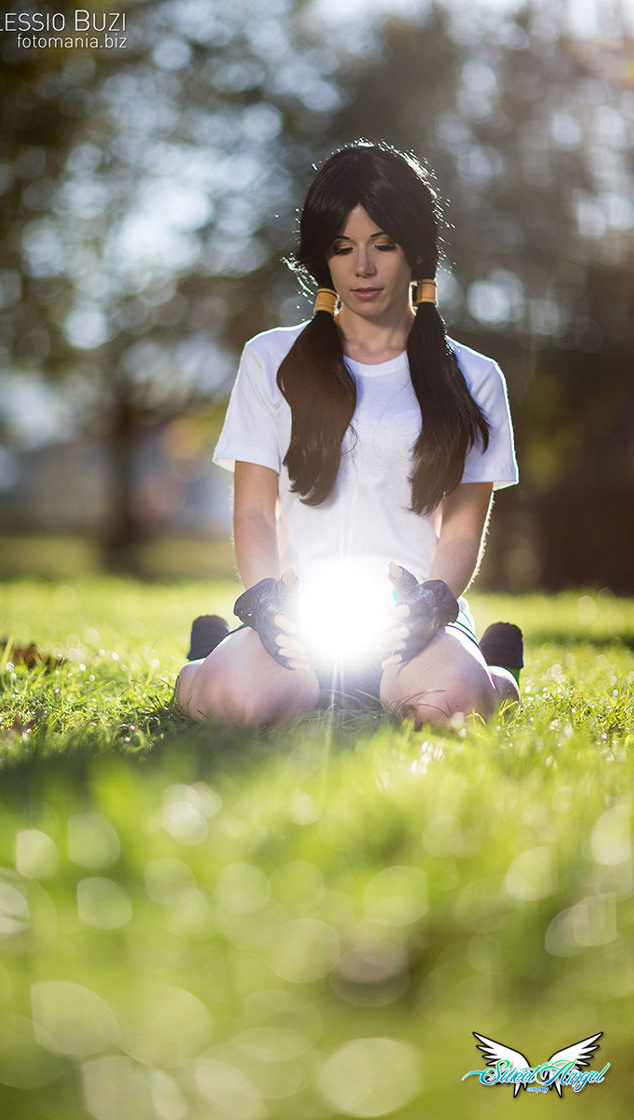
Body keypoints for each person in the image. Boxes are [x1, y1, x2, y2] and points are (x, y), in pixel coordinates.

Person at [176, 140, 522, 728]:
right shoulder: (269, 359)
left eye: (382, 245)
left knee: (453, 708)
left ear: (415, 252)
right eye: (343, 248)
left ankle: (494, 667)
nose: (362, 267)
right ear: (324, 260)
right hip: (298, 615)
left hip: (413, 617)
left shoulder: (476, 377)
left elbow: (463, 528)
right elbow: (256, 513)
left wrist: (434, 603)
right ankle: (205, 655)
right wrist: (263, 600)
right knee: (235, 703)